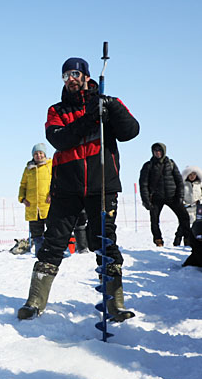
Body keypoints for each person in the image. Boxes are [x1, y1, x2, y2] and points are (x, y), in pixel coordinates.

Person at [17, 57, 139, 322]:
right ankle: (35, 301)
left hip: (102, 185)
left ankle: (114, 303)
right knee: (53, 243)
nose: (70, 79)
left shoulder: (109, 103)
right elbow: (60, 139)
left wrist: (112, 108)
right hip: (67, 188)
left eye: (75, 74)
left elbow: (131, 131)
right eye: (65, 76)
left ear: (85, 76)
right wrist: (89, 119)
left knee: (105, 242)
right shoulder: (56, 110)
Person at [139, 143, 191, 247]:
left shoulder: (170, 164)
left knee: (184, 217)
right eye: (155, 151)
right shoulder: (148, 166)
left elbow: (179, 181)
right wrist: (146, 201)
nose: (158, 152)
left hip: (172, 197)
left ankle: (187, 240)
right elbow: (143, 184)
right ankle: (158, 241)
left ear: (163, 151)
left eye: (160, 150)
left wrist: (179, 196)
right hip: (156, 198)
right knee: (154, 220)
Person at [18, 143, 52, 255]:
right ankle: (39, 253)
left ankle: (56, 252)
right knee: (36, 233)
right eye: (36, 153)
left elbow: (57, 182)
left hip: (48, 205)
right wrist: (22, 198)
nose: (39, 155)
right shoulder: (28, 169)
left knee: (53, 230)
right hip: (32, 206)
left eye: (41, 153)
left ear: (45, 154)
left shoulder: (50, 166)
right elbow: (23, 185)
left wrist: (52, 194)